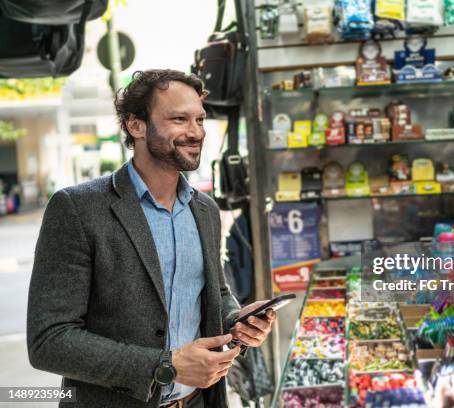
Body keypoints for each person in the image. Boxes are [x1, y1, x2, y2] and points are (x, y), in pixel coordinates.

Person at [27, 69, 275, 408]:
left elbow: (213, 294)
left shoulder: (204, 210)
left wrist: (238, 321)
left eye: (200, 120)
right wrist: (165, 366)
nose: (195, 132)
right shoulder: (78, 208)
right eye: (179, 119)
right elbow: (49, 341)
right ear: (136, 125)